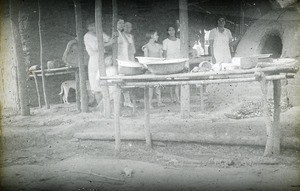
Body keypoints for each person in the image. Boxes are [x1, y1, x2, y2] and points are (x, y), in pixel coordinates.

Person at [84, 19, 116, 110]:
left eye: (95, 25)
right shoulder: (87, 36)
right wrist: (109, 43)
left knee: (106, 83)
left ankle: (107, 107)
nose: (94, 27)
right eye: (91, 26)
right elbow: (96, 47)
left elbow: (109, 38)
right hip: (94, 60)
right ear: (88, 27)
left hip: (104, 59)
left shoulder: (99, 33)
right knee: (96, 85)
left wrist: (111, 38)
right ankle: (102, 109)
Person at [142, 30, 164, 108]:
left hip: (158, 69)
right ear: (151, 36)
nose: (157, 36)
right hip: (150, 69)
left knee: (158, 86)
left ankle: (159, 102)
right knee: (150, 87)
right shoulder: (146, 47)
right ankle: (149, 103)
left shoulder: (159, 46)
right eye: (156, 35)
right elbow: (146, 59)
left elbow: (161, 58)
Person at [116, 19, 134, 108]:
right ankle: (123, 101)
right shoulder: (116, 33)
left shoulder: (123, 34)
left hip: (125, 59)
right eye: (120, 23)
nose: (122, 25)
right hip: (119, 60)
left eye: (123, 23)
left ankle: (127, 101)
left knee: (126, 80)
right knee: (120, 81)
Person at [162, 26, 180, 103]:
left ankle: (178, 99)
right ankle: (172, 98)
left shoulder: (179, 41)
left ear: (175, 31)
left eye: (173, 30)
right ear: (167, 32)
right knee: (171, 82)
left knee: (177, 81)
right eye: (170, 30)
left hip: (177, 62)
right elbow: (164, 54)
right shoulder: (165, 41)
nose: (172, 31)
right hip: (169, 62)